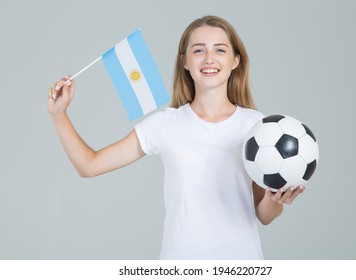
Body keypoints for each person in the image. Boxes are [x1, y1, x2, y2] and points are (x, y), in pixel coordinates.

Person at [48, 15, 304, 260]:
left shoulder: (258, 127)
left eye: (220, 50)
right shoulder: (165, 124)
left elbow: (265, 215)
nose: (209, 58)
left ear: (236, 60)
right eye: (199, 50)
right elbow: (89, 165)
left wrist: (274, 200)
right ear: (185, 61)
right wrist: (59, 115)